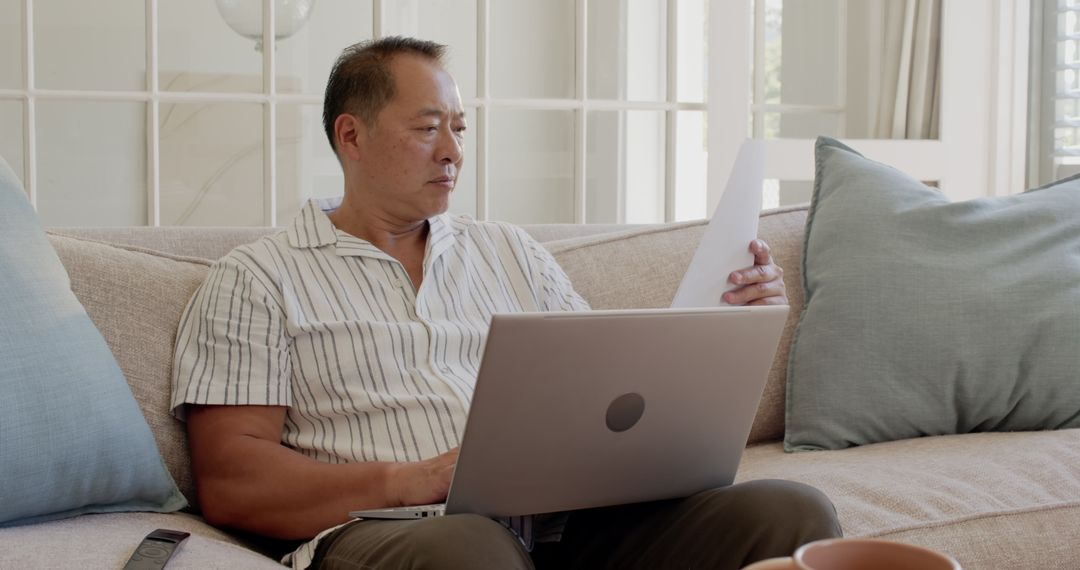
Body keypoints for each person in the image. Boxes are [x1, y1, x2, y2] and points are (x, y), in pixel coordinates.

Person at [171, 36, 841, 570]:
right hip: (398, 535)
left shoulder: (510, 252)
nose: (454, 152)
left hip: (572, 526)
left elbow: (609, 393)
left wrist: (730, 318)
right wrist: (413, 481)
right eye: (429, 128)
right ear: (351, 136)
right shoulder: (257, 278)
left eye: (460, 128)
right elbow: (233, 480)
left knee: (790, 512)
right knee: (468, 550)